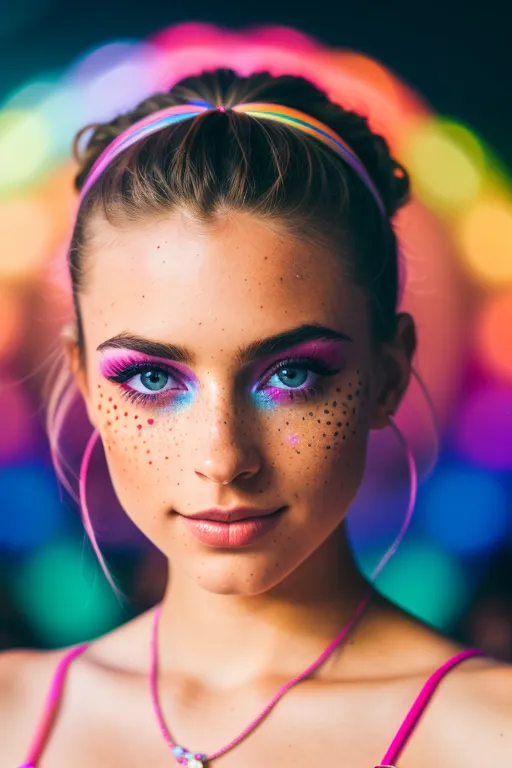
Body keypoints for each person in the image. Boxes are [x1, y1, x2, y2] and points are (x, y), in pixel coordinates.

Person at [1, 67, 511, 768]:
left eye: (291, 374)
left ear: (387, 375)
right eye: (151, 378)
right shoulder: (11, 714)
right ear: (87, 381)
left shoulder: (492, 736)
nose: (222, 456)